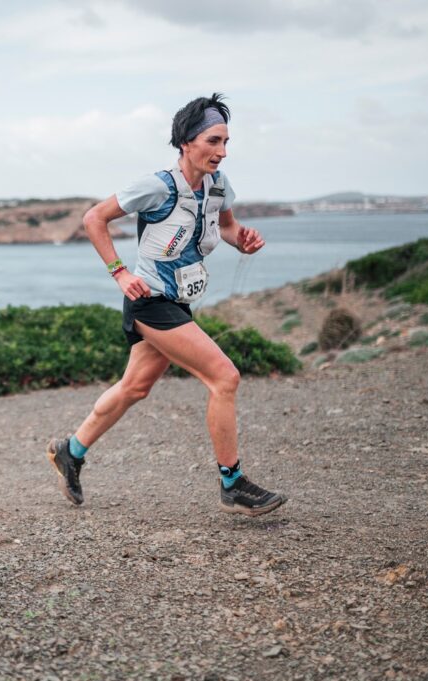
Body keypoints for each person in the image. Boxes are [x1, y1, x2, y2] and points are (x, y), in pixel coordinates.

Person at [46, 93, 286, 517]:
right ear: (186, 142)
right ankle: (233, 483)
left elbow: (227, 228)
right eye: (213, 141)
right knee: (224, 378)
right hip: (149, 302)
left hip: (179, 302)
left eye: (226, 142)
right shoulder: (156, 185)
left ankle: (71, 450)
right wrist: (120, 272)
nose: (222, 152)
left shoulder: (219, 186)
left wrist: (242, 241)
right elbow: (93, 218)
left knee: (135, 387)